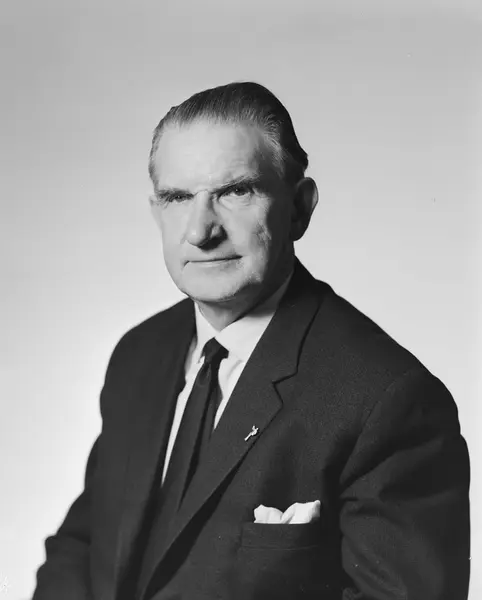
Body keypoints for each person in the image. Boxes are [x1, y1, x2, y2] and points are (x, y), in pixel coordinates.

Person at [33, 82, 470, 600]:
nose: (200, 231)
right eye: (177, 198)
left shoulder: (387, 400)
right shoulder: (138, 354)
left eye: (236, 191)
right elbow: (85, 545)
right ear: (156, 212)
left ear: (299, 208)